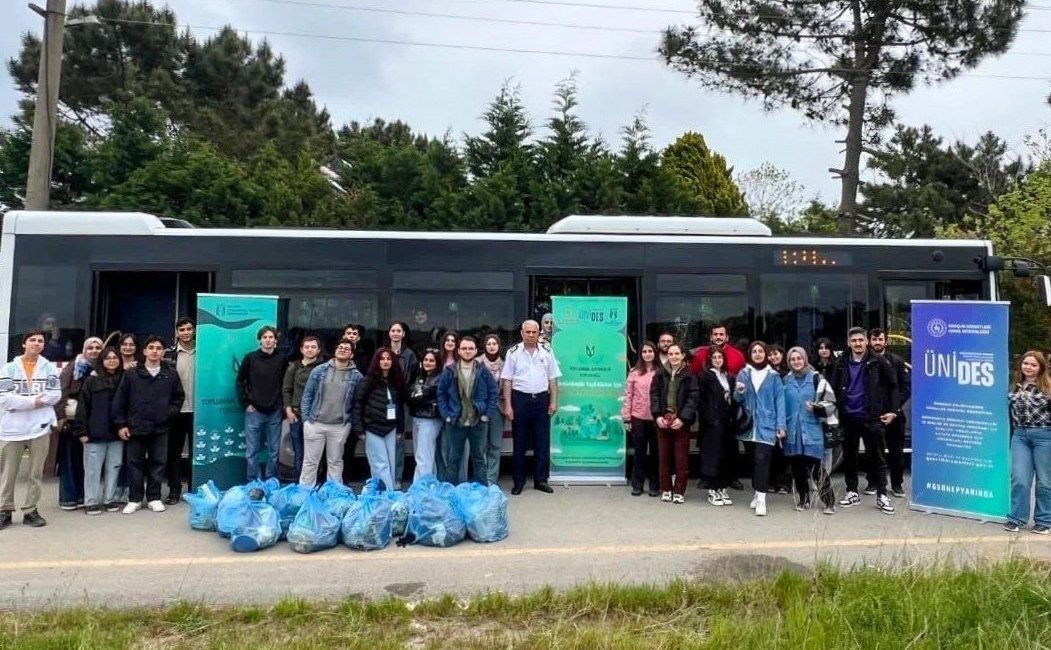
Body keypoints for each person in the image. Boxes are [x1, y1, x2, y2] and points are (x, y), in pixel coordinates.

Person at [829, 327, 900, 515]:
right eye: (854, 341)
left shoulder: (879, 362)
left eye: (861, 340)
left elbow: (894, 386)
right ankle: (852, 491)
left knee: (877, 457)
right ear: (848, 343)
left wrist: (893, 411)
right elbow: (832, 388)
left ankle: (882, 494)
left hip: (872, 417)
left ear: (866, 341)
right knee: (850, 457)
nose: (858, 343)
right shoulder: (840, 363)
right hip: (848, 417)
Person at [112, 336, 185, 514]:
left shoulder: (170, 374)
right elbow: (119, 401)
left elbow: (178, 397)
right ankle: (135, 499)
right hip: (135, 426)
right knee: (134, 463)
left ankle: (154, 497)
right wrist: (121, 424)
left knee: (158, 463)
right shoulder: (131, 374)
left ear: (163, 352)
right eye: (150, 347)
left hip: (161, 427)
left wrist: (167, 414)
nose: (154, 351)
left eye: (158, 348)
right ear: (144, 351)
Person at [0, 330, 61, 529]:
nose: (37, 343)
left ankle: (30, 510)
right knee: (8, 473)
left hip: (39, 427)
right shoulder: (9, 368)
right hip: (12, 428)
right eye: (32, 340)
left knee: (36, 473)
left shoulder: (49, 368)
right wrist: (35, 401)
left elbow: (54, 395)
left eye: (40, 341)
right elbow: (5, 399)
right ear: (24, 344)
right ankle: (4, 510)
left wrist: (22, 402)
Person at [502, 319, 562, 495]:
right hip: (520, 399)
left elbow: (553, 378)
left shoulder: (547, 351)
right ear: (521, 333)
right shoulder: (513, 353)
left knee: (541, 442)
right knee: (519, 443)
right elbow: (507, 380)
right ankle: (518, 482)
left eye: (533, 332)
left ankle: (540, 480)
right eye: (527, 332)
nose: (530, 335)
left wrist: (553, 401)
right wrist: (508, 404)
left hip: (541, 399)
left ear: (538, 333)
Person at [299, 339, 363, 488]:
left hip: (339, 426)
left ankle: (333, 495)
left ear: (352, 354)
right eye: (340, 347)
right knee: (310, 462)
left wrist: (350, 424)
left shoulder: (357, 376)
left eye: (346, 349)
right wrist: (306, 420)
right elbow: (307, 395)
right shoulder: (320, 370)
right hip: (315, 423)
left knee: (335, 462)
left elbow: (357, 404)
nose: (342, 350)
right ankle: (303, 495)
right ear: (335, 351)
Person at [782, 347, 838, 513]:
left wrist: (816, 408)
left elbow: (831, 402)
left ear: (805, 359)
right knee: (797, 469)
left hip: (812, 431)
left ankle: (829, 501)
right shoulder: (785, 381)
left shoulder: (816, 378)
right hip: (793, 432)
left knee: (816, 468)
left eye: (799, 358)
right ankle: (803, 499)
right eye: (792, 359)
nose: (796, 362)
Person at [437, 336, 499, 485]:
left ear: (476, 351)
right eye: (464, 348)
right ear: (459, 351)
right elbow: (441, 394)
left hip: (478, 421)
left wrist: (487, 415)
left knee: (479, 459)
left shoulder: (483, 371)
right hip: (455, 422)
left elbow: (493, 393)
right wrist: (446, 415)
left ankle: (482, 495)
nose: (467, 351)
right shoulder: (449, 371)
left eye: (470, 348)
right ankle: (450, 494)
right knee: (453, 460)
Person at [734, 341, 786, 517]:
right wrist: (739, 391)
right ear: (750, 354)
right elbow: (736, 399)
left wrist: (781, 426)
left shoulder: (774, 376)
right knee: (752, 462)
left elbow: (780, 402)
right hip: (748, 426)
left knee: (762, 460)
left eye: (760, 351)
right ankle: (757, 492)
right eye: (754, 351)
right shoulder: (743, 373)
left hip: (767, 425)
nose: (757, 354)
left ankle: (762, 499)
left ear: (765, 354)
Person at [71, 347, 124, 515]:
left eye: (115, 357)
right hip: (95, 433)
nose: (112, 360)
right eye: (107, 358)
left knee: (114, 467)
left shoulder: (124, 379)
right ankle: (91, 501)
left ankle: (109, 499)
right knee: (93, 469)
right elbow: (82, 407)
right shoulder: (91, 381)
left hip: (117, 433)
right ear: (102, 361)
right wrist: (81, 431)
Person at [1005, 351, 1051, 534]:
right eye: (1026, 363)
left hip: (1045, 436)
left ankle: (1044, 520)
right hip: (1020, 436)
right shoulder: (1014, 386)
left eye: (1033, 365)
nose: (1029, 367)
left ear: (1040, 368)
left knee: (1045, 481)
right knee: (1019, 479)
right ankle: (1017, 518)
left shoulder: (1047, 387)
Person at [55, 337, 103, 510]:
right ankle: (68, 498)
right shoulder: (73, 366)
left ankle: (83, 496)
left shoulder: (103, 367)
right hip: (72, 419)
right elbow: (61, 391)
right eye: (90, 347)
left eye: (98, 347)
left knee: (86, 461)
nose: (94, 350)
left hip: (92, 420)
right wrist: (60, 416)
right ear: (84, 349)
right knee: (68, 459)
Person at [649, 343, 698, 504]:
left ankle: (679, 490)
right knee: (664, 458)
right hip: (663, 421)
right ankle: (666, 489)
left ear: (683, 355)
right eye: (671, 354)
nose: (674, 356)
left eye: (677, 353)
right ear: (667, 355)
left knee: (681, 459)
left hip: (680, 422)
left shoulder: (689, 375)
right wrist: (657, 416)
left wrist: (682, 419)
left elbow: (692, 399)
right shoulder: (660, 373)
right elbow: (654, 395)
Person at [236, 325, 286, 481]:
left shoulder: (282, 359)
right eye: (265, 337)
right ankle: (253, 481)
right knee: (252, 452)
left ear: (275, 340)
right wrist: (245, 403)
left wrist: (282, 405)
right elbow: (239, 381)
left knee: (274, 451)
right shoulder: (250, 358)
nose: (268, 340)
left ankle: (271, 480)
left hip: (275, 411)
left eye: (271, 337)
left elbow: (286, 383)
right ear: (260, 340)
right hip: (254, 411)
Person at [352, 348, 406, 491]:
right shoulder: (367, 381)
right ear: (377, 361)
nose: (385, 361)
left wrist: (400, 427)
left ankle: (386, 492)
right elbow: (357, 404)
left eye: (389, 359)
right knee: (379, 464)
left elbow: (399, 405)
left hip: (391, 428)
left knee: (391, 463)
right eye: (382, 359)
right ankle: (387, 494)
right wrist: (359, 429)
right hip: (373, 428)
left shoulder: (396, 381)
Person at [869, 328, 911, 498]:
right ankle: (873, 483)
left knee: (896, 452)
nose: (877, 342)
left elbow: (905, 387)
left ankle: (897, 484)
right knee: (873, 451)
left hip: (894, 414)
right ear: (869, 342)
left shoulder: (897, 361)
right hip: (874, 414)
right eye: (874, 339)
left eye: (880, 339)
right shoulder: (866, 361)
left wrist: (894, 408)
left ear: (885, 342)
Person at [163, 317, 196, 505]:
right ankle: (174, 491)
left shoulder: (204, 352)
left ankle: (193, 490)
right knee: (173, 453)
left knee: (195, 453)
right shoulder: (169, 355)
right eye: (181, 329)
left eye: (189, 329)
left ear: (194, 331)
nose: (185, 332)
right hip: (176, 411)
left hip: (198, 410)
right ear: (177, 332)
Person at [697, 346, 735, 506]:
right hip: (712, 424)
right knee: (712, 456)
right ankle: (712, 489)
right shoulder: (705, 376)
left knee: (725, 456)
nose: (718, 360)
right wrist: (709, 419)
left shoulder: (729, 376)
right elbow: (701, 401)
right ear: (710, 360)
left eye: (720, 357)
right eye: (715, 358)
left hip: (727, 423)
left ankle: (722, 487)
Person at [282, 335, 324, 482]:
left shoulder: (324, 367)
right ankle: (300, 483)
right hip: (296, 415)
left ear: (319, 350)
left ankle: (316, 482)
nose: (310, 350)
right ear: (301, 349)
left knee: (315, 452)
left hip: (317, 417)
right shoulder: (294, 367)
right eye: (306, 347)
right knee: (299, 451)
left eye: (313, 347)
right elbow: (287, 390)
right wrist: (288, 410)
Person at [622, 340, 659, 497]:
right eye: (644, 352)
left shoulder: (661, 372)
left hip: (656, 418)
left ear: (655, 353)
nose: (647, 354)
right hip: (638, 417)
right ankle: (637, 484)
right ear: (641, 354)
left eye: (650, 351)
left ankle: (655, 485)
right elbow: (628, 396)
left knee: (656, 453)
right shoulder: (634, 372)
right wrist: (626, 418)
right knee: (639, 453)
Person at [387, 322, 417, 489]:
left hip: (402, 403)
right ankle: (384, 477)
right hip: (384, 402)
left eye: (399, 331)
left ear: (403, 334)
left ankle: (397, 478)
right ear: (389, 333)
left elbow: (413, 379)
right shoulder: (383, 353)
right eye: (393, 330)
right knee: (383, 438)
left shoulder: (410, 355)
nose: (396, 333)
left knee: (399, 440)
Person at [408, 350, 443, 481]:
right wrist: (419, 395)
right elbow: (411, 396)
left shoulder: (439, 378)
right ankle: (429, 486)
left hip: (430, 420)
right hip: (417, 417)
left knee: (424, 456)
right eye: (426, 360)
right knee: (423, 455)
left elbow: (422, 395)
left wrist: (419, 394)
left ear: (437, 363)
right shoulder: (419, 377)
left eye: (431, 360)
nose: (427, 363)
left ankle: (420, 489)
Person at [480, 334, 506, 486]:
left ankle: (491, 479)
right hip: (481, 408)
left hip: (497, 408)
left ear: (498, 346)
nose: (491, 346)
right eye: (488, 343)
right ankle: (482, 478)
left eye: (494, 343)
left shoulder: (504, 364)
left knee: (495, 445)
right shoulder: (477, 362)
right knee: (481, 445)